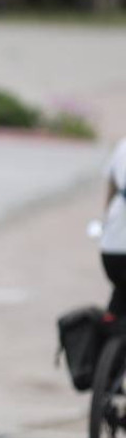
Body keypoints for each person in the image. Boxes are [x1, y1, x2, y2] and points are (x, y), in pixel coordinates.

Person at [99, 136, 126, 318]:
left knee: (120, 295)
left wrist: (106, 221)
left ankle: (108, 331)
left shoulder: (123, 146)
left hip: (110, 249)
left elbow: (111, 188)